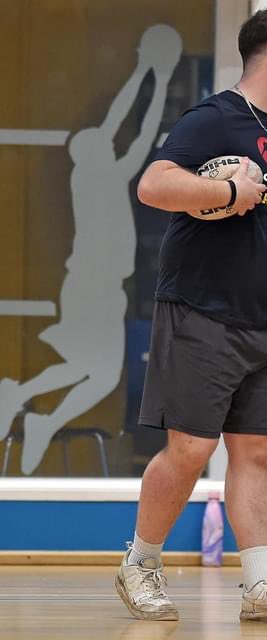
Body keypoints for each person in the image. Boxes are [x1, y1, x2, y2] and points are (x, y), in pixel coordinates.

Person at [115, 9, 267, 624]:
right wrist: (227, 193)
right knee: (190, 447)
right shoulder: (214, 117)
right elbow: (154, 185)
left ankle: (259, 586)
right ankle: (140, 564)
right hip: (201, 309)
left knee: (256, 451)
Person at [0, 25, 179, 475]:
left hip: (95, 286)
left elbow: (125, 127)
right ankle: (28, 405)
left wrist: (145, 72)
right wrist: (156, 77)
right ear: (94, 150)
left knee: (90, 368)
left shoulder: (99, 172)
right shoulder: (101, 175)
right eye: (102, 137)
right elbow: (135, 132)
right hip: (92, 286)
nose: (108, 136)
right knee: (100, 373)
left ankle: (24, 402)